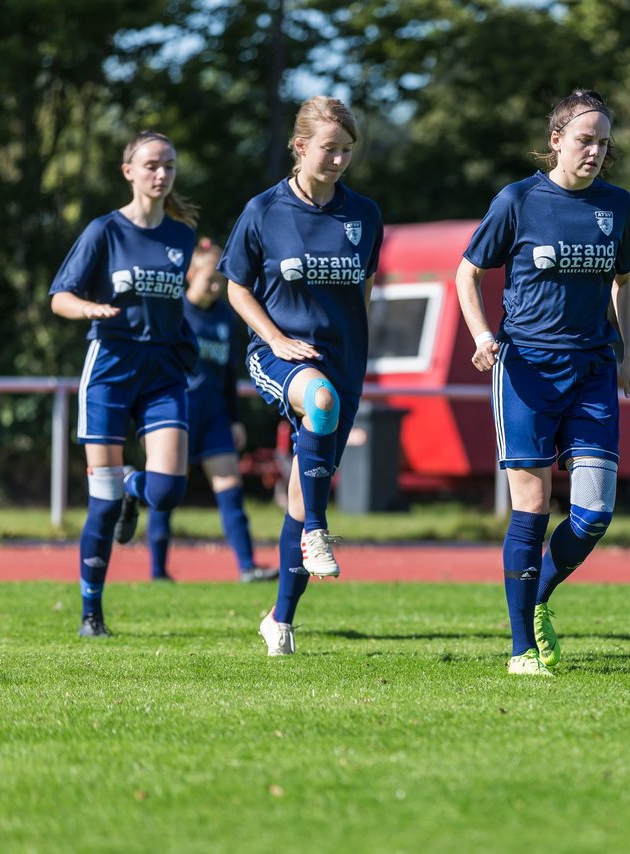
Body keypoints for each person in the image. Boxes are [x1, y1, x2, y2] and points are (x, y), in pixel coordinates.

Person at [455, 89, 630, 676]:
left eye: (604, 143)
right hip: (527, 372)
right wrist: (483, 336)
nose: (595, 151)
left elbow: (624, 281)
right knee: (531, 507)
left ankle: (537, 595)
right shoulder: (517, 200)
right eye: (585, 139)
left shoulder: (617, 206)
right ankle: (520, 649)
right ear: (556, 140)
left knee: (594, 512)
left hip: (592, 370)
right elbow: (467, 273)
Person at [220, 96, 383, 656]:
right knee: (319, 401)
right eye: (328, 149)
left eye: (346, 151)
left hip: (345, 364)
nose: (338, 160)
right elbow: (237, 286)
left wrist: (360, 353)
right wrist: (275, 339)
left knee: (299, 488)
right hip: (281, 356)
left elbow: (362, 291)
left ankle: (280, 619)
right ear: (299, 147)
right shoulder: (263, 211)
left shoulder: (364, 215)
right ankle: (319, 530)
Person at [49, 130, 198, 638]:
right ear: (128, 171)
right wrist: (88, 307)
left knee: (168, 491)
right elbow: (59, 297)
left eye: (170, 166)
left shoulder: (181, 237)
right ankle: (92, 612)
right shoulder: (103, 230)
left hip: (162, 373)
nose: (162, 174)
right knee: (102, 501)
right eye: (152, 165)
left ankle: (138, 484)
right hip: (110, 367)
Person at [145, 238, 279, 584]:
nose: (218, 285)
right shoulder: (173, 311)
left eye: (221, 279)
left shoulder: (224, 317)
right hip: (177, 415)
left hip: (215, 417)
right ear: (190, 275)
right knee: (166, 491)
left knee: (231, 488)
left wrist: (235, 419)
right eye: (210, 279)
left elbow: (228, 376)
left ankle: (248, 566)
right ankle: (158, 572)